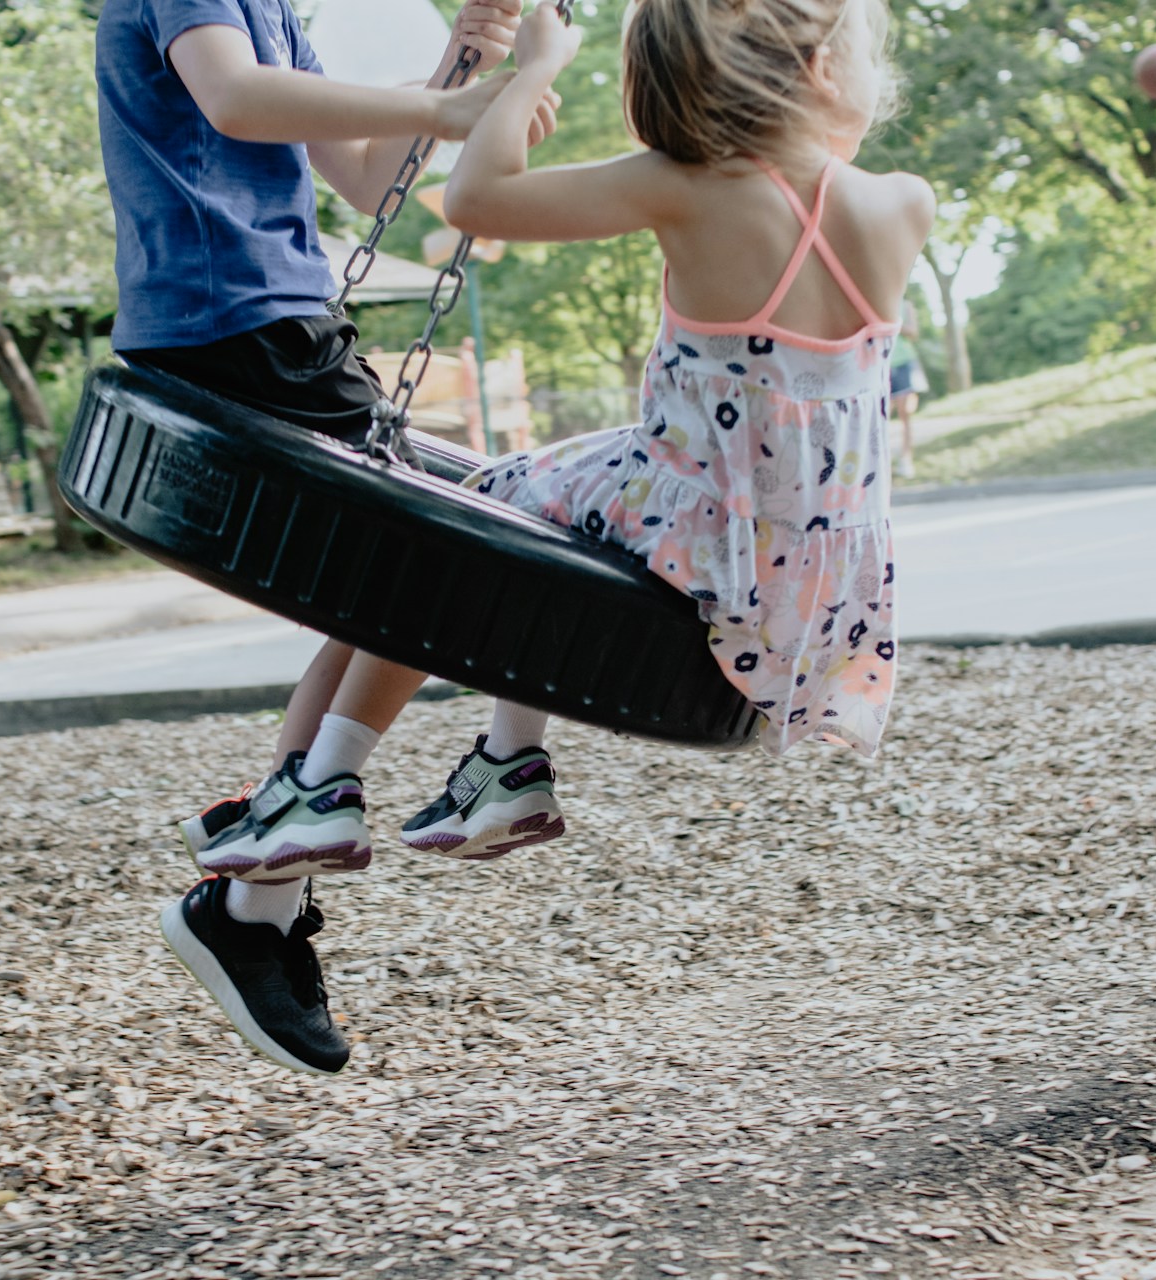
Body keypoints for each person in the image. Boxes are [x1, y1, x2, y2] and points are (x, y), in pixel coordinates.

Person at [173, 0, 934, 1076]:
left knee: (479, 517)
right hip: (809, 593)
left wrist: (531, 68)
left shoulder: (682, 186)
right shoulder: (902, 204)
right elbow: (826, 187)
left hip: (688, 522)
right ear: (817, 68)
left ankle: (341, 775)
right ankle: (499, 760)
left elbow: (476, 198)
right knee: (537, 518)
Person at [99, 0, 560, 1075]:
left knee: (395, 591)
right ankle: (271, 891)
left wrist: (474, 65)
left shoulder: (277, 11)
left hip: (281, 325)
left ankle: (260, 899)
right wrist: (448, 102)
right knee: (448, 556)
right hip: (236, 327)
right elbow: (233, 97)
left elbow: (368, 183)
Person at [889, 301, 930, 479]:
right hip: (880, 364)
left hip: (904, 363)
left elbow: (913, 332)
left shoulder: (906, 306)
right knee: (882, 416)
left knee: (905, 414)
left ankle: (906, 460)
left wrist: (894, 323)